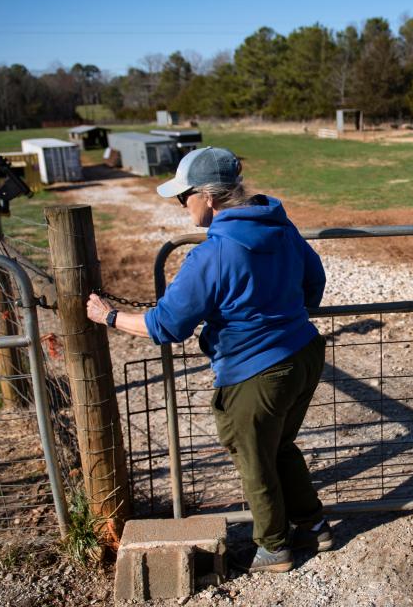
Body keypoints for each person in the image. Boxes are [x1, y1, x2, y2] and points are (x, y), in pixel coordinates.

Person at [86, 146, 332, 573]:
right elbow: (315, 281)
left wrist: (108, 316)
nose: (182, 206)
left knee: (254, 458)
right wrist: (281, 315)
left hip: (255, 372)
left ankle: (274, 548)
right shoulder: (279, 226)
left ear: (209, 197)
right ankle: (315, 526)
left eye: (184, 197)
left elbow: (166, 326)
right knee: (280, 446)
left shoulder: (213, 254)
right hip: (304, 354)